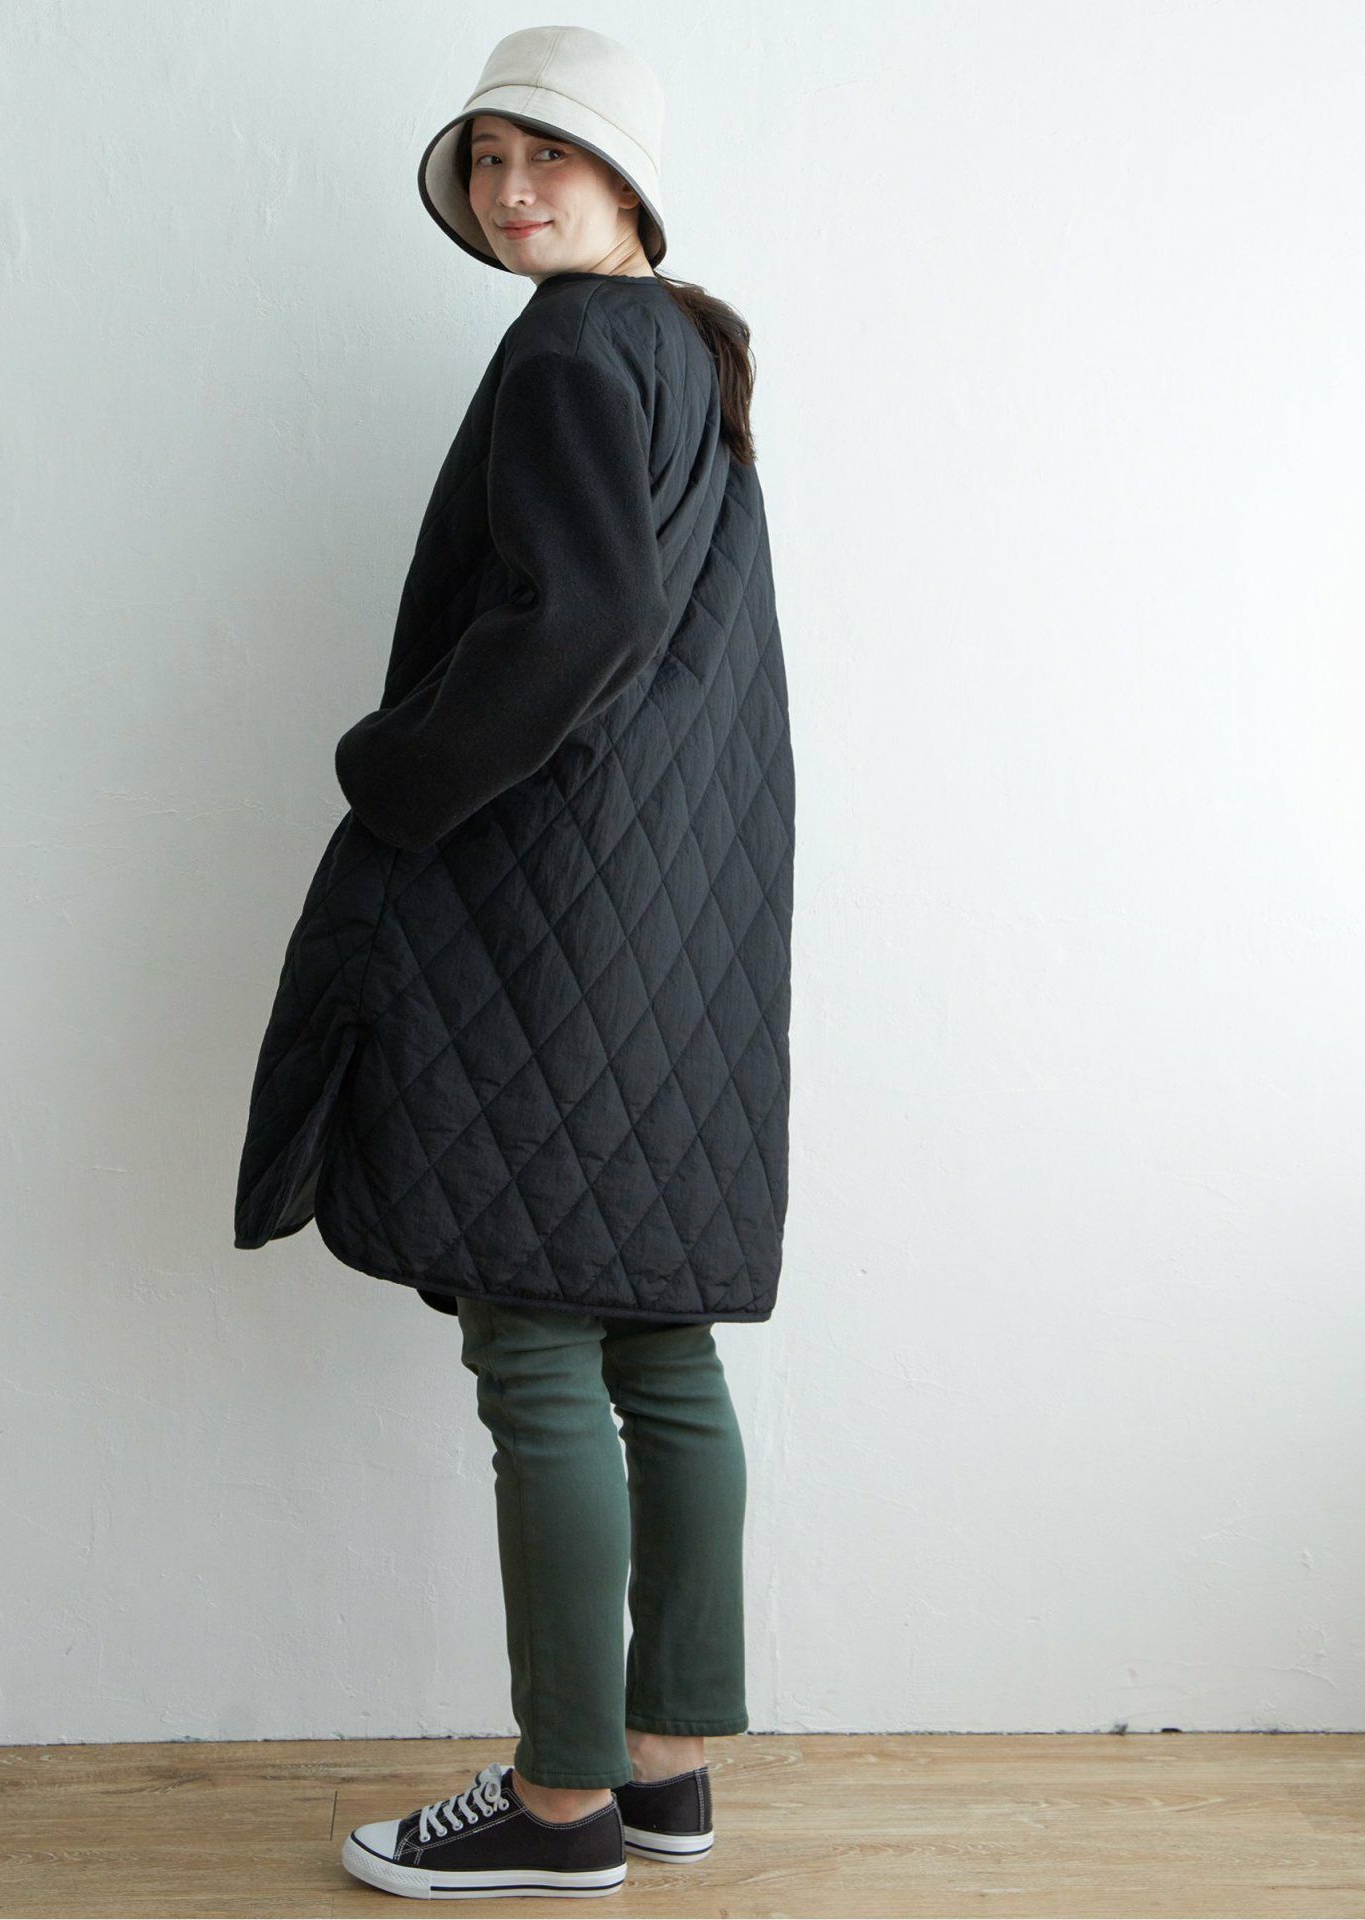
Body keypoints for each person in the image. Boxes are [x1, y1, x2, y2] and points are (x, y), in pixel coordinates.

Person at [231, 25, 795, 1901]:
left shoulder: (569, 346)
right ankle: (667, 1771)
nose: (509, 190)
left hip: (543, 912)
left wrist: (391, 770)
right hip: (672, 923)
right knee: (659, 1337)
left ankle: (561, 1805)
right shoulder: (685, 355)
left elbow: (581, 621)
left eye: (545, 154)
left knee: (539, 1342)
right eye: (484, 161)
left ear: (627, 179)